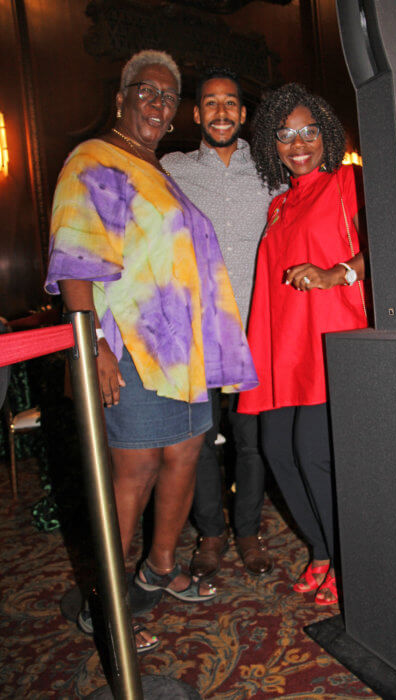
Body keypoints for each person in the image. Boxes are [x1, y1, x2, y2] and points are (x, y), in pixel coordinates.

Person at [45, 50, 258, 652]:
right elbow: (75, 254)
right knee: (135, 470)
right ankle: (107, 602)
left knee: (186, 455)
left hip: (181, 351)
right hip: (129, 345)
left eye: (168, 97)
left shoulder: (156, 168)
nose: (160, 103)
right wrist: (91, 346)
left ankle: (159, 569)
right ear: (121, 98)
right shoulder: (93, 159)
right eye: (148, 91)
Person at [238, 83, 368, 605]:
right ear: (272, 143)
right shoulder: (276, 207)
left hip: (330, 340)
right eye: (285, 134)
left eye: (308, 131)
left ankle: (347, 558)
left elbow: (383, 249)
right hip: (282, 350)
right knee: (275, 450)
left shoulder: (347, 183)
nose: (298, 143)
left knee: (312, 452)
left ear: (326, 135)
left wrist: (338, 273)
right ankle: (320, 549)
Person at [161, 68, 274, 577]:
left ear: (243, 113)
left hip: (256, 331)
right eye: (211, 103)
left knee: (252, 441)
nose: (222, 112)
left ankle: (247, 531)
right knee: (200, 442)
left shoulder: (271, 171)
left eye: (231, 103)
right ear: (197, 113)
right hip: (198, 335)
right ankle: (210, 535)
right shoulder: (172, 168)